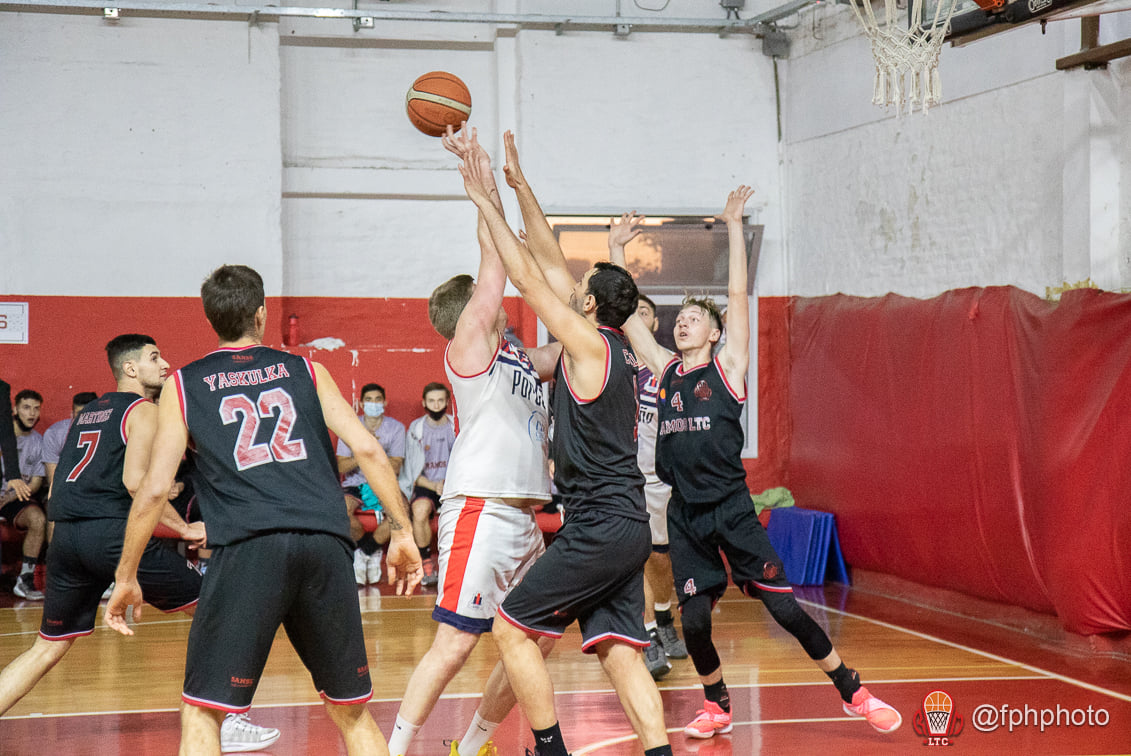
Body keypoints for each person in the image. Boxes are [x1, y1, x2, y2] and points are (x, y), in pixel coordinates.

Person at [103, 266, 423, 756]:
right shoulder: (309, 370)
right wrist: (401, 532)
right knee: (351, 711)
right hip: (324, 544)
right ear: (261, 312)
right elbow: (371, 451)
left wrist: (126, 573)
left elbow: (151, 490)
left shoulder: (185, 385)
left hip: (250, 548)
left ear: (211, 320)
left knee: (203, 711)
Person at [623, 186, 902, 739]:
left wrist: (731, 223)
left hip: (731, 509)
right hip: (685, 515)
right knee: (695, 622)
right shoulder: (665, 371)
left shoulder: (728, 367)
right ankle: (718, 703)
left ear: (716, 332)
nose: (683, 323)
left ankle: (852, 689)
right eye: (679, 319)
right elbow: (627, 314)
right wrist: (615, 248)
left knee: (787, 612)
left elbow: (736, 289)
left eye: (695, 318)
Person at [457, 132, 672, 756]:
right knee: (618, 650)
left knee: (511, 630)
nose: (570, 282)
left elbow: (529, 271)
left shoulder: (588, 344)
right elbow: (549, 259)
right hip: (624, 521)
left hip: (600, 522)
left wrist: (484, 199)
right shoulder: (610, 346)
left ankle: (548, 749)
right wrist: (521, 186)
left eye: (581, 285)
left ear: (590, 303)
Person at [0, 334, 280, 753]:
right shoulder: (144, 411)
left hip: (67, 538)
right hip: (110, 536)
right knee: (223, 608)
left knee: (47, 648)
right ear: (130, 369)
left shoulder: (90, 412)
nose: (165, 364)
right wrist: (185, 530)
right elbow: (136, 484)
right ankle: (230, 719)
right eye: (154, 357)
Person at [387, 126, 562, 756]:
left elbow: (561, 347)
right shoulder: (467, 350)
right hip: (481, 510)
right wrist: (481, 186)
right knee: (456, 643)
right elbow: (495, 272)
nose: (502, 302)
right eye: (488, 305)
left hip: (525, 518)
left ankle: (473, 743)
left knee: (535, 638)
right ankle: (397, 749)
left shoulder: (514, 359)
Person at [606, 215, 691, 679]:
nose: (635, 320)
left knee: (660, 558)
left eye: (643, 314)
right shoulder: (609, 360)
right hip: (621, 476)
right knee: (630, 554)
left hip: (660, 479)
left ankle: (663, 618)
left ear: (652, 322)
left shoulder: (666, 367)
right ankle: (643, 634)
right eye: (629, 313)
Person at [338, 382, 406, 585]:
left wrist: (372, 449)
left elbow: (395, 466)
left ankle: (367, 551)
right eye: (369, 400)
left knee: (402, 513)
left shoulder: (396, 428)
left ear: (384, 402)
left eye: (377, 399)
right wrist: (366, 451)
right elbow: (342, 466)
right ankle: (364, 551)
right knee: (341, 510)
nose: (373, 404)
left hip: (384, 482)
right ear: (361, 403)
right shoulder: (350, 426)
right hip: (356, 482)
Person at [398, 382, 456, 589]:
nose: (436, 405)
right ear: (424, 402)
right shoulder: (417, 428)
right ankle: (426, 563)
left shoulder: (455, 425)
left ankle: (454, 566)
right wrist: (434, 486)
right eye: (431, 401)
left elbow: (467, 461)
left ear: (448, 402)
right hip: (427, 484)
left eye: (441, 400)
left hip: (455, 482)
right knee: (419, 511)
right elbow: (413, 472)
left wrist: (449, 484)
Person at [1, 389, 47, 599]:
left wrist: (10, 497)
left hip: (15, 498)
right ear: (15, 409)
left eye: (36, 408)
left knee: (38, 518)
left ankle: (26, 579)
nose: (32, 414)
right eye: (26, 408)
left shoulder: (38, 442)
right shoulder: (4, 435)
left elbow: (36, 482)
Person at [41, 391, 99, 492]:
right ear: (72, 414)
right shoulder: (55, 434)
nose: (84, 419)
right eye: (79, 414)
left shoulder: (109, 432)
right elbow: (53, 482)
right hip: (64, 492)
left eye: (89, 414)